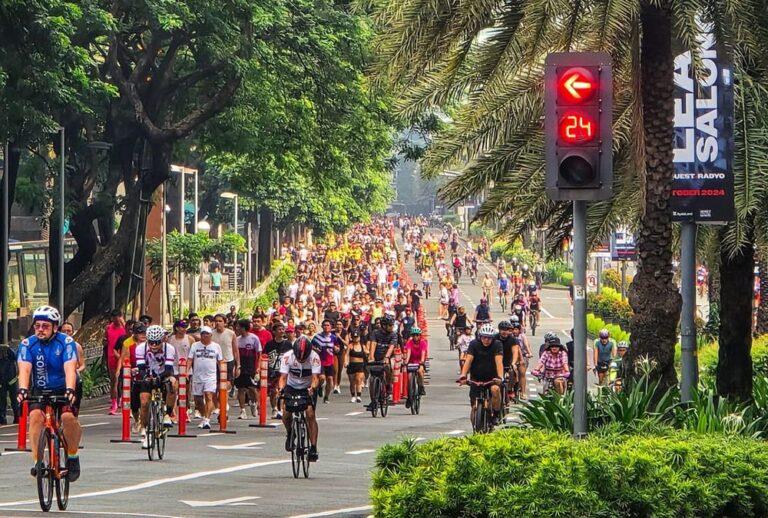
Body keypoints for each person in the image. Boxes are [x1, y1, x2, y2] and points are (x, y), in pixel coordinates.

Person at [17, 306, 82, 481]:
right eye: (37, 326)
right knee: (36, 416)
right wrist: (23, 389)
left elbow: (70, 368)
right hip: (40, 388)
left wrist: (70, 389)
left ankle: (73, 457)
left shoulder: (66, 342)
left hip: (65, 386)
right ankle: (38, 461)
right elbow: (24, 369)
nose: (40, 330)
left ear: (55, 327)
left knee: (68, 418)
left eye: (45, 326)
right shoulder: (27, 344)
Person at [279, 336, 321, 462]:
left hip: (308, 387)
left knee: (310, 414)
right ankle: (290, 432)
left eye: (304, 358)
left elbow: (315, 378)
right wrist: (281, 390)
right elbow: (283, 378)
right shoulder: (287, 356)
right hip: (291, 386)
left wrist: (312, 388)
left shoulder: (314, 357)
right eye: (299, 358)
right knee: (286, 414)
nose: (301, 360)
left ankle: (313, 447)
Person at [135, 325, 178, 448]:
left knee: (172, 383)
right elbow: (141, 368)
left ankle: (168, 414)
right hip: (148, 376)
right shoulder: (140, 348)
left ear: (162, 340)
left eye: (157, 343)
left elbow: (169, 369)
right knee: (144, 402)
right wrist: (146, 378)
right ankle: (145, 429)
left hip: (164, 374)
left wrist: (161, 378)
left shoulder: (169, 348)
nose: (154, 346)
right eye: (151, 342)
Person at [457, 323, 503, 425]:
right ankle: (475, 427)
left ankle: (496, 414)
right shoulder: (474, 344)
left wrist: (500, 377)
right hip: (476, 378)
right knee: (474, 407)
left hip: (492, 378)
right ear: (480, 336)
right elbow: (468, 360)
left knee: (495, 390)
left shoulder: (497, 344)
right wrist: (463, 375)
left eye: (489, 338)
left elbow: (499, 362)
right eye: (484, 338)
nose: (486, 340)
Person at [188, 327, 223, 430]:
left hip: (211, 376)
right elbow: (190, 359)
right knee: (198, 399)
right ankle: (204, 417)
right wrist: (186, 371)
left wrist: (223, 375)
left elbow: (220, 361)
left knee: (209, 396)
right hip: (197, 376)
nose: (205, 336)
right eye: (203, 334)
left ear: (211, 335)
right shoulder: (195, 345)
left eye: (207, 334)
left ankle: (207, 420)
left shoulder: (216, 346)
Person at [233, 319, 260, 419]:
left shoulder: (254, 338)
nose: (237, 328)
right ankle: (242, 410)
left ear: (244, 327)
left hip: (251, 367)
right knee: (240, 388)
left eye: (238, 326)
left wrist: (258, 367)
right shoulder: (237, 339)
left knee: (252, 388)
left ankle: (254, 403)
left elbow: (259, 353)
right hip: (240, 367)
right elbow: (235, 353)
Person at [265, 321, 293, 418]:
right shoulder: (269, 344)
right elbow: (264, 356)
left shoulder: (288, 344)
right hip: (272, 371)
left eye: (283, 329)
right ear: (274, 332)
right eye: (279, 329)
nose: (281, 331)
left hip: (284, 372)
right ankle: (274, 408)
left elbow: (292, 357)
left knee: (281, 391)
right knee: (273, 392)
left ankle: (280, 409)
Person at [211, 313, 239, 406]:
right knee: (215, 386)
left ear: (225, 322)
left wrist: (238, 365)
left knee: (225, 385)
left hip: (228, 361)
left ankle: (224, 403)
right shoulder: (211, 334)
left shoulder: (231, 333)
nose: (218, 323)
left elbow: (235, 350)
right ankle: (218, 406)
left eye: (220, 321)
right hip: (214, 362)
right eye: (216, 321)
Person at [104, 309, 127, 415]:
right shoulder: (108, 328)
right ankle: (114, 403)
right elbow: (106, 341)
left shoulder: (125, 328)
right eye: (114, 318)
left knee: (125, 381)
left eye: (118, 317)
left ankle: (123, 400)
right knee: (114, 381)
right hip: (112, 357)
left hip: (124, 357)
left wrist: (124, 323)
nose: (116, 319)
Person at [312, 320, 339, 403]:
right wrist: (315, 349)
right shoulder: (317, 337)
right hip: (320, 362)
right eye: (324, 325)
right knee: (322, 378)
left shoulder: (333, 337)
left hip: (330, 362)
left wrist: (336, 349)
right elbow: (311, 346)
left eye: (328, 325)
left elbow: (338, 348)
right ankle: (320, 386)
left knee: (330, 380)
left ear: (331, 327)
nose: (326, 327)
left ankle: (326, 397)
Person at [403, 327, 428, 409]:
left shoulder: (423, 343)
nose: (415, 337)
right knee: (409, 377)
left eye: (417, 335)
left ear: (419, 336)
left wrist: (421, 362)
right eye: (414, 335)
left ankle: (421, 387)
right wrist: (406, 362)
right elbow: (408, 352)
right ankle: (409, 396)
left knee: (420, 372)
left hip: (420, 361)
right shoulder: (409, 342)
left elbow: (423, 353)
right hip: (411, 362)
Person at [345, 330, 367, 403]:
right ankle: (353, 396)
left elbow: (367, 352)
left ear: (359, 337)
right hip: (352, 365)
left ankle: (359, 396)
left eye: (357, 337)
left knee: (358, 380)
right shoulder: (350, 346)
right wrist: (346, 362)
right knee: (352, 382)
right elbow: (346, 354)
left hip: (360, 365)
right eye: (354, 337)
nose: (355, 339)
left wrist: (367, 353)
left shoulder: (362, 346)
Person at [0, 342, 18, 424]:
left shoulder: (10, 354)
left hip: (11, 380)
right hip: (3, 381)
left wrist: (7, 348)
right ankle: (2, 418)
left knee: (14, 400)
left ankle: (17, 417)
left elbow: (15, 356)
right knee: (2, 401)